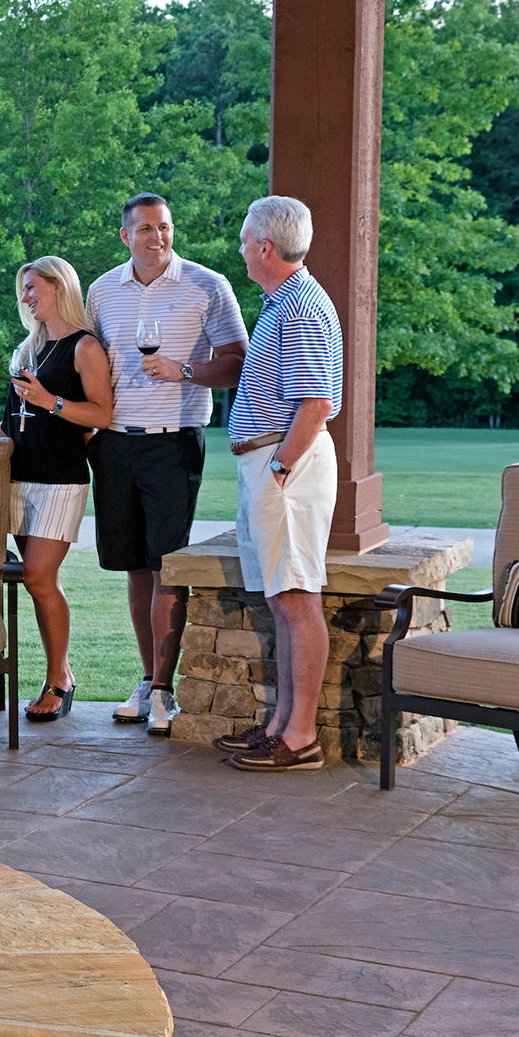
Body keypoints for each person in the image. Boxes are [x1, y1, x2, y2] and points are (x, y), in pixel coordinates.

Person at [86, 192, 248, 734]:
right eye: (147, 229)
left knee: (166, 566)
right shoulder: (102, 290)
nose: (158, 238)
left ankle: (163, 690)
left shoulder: (208, 285)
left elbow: (239, 363)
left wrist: (183, 371)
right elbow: (88, 363)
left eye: (166, 227)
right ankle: (148, 678)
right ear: (125, 235)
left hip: (173, 443)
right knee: (134, 567)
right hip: (111, 445)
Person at [218, 195, 342, 771]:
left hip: (287, 467)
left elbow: (315, 405)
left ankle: (299, 738)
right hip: (273, 464)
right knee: (283, 597)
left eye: (245, 240)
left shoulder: (300, 309)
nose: (241, 249)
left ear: (265, 247)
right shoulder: (281, 302)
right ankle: (279, 726)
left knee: (295, 598)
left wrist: (279, 470)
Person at [0, 256, 114, 721]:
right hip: (17, 481)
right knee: (39, 583)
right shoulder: (27, 350)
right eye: (22, 289)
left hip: (61, 481)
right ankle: (58, 672)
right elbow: (7, 427)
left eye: (31, 287)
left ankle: (60, 679)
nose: (25, 297)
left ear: (59, 286)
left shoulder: (85, 348)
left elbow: (102, 416)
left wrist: (50, 401)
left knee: (39, 578)